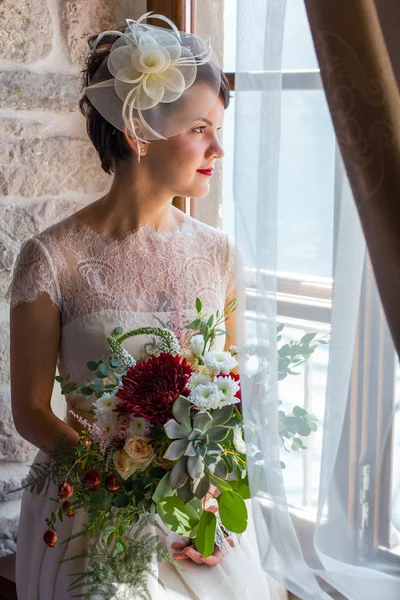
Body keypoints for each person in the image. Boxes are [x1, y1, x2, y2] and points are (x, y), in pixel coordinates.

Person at [7, 12, 283, 600]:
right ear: (139, 133)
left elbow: (228, 397)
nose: (218, 148)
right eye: (201, 128)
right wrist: (118, 480)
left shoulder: (217, 255)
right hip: (90, 507)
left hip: (193, 508)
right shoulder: (50, 257)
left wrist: (205, 497)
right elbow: (30, 410)